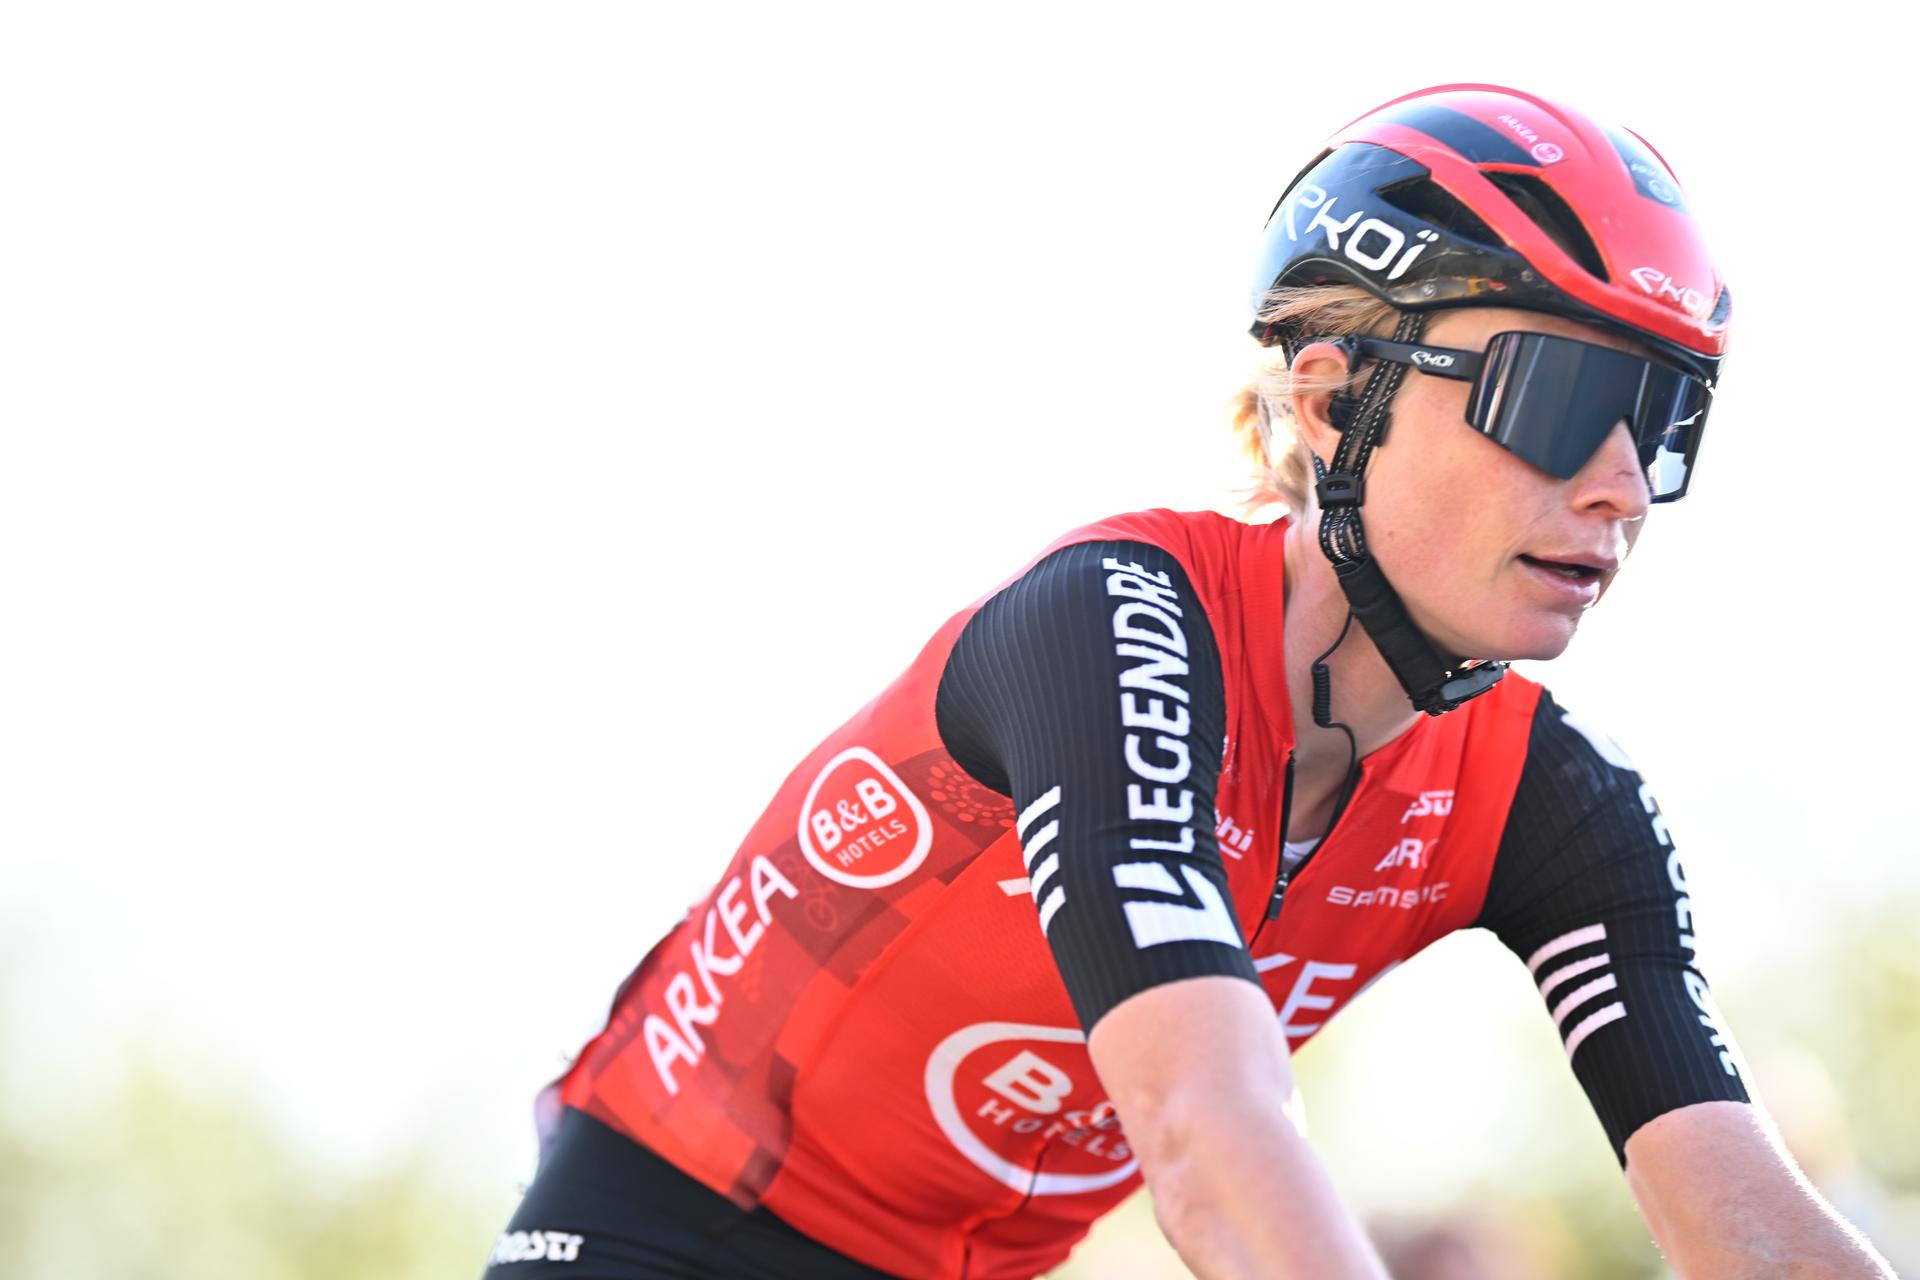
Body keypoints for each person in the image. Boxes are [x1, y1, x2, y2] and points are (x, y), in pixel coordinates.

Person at [481, 84, 1894, 1280]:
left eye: (1666, 418)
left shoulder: (1552, 804)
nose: (1621, 485)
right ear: (1337, 397)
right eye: (1565, 397)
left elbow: (1745, 1220)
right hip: (665, 1228)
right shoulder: (1112, 625)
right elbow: (1207, 1143)